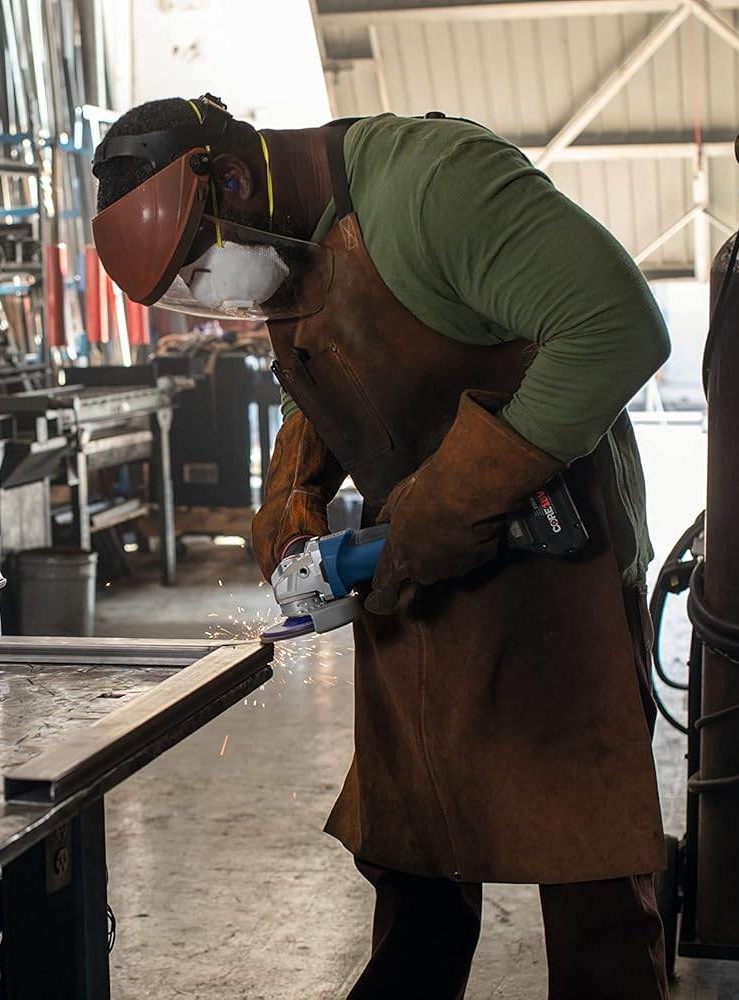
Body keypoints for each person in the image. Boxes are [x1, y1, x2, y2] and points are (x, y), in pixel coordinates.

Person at [90, 95, 671, 999]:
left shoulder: (437, 187)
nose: (208, 300)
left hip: (557, 588)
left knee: (593, 891)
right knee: (415, 873)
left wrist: (439, 511)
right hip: (416, 584)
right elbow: (327, 370)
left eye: (200, 271)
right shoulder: (284, 237)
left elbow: (617, 328)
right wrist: (293, 498)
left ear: (235, 181)